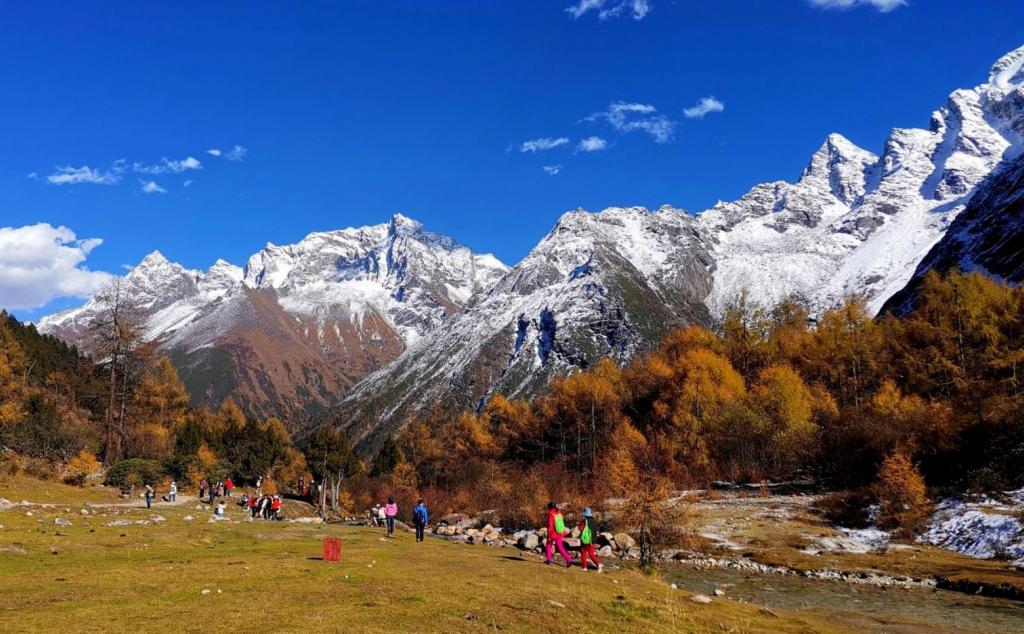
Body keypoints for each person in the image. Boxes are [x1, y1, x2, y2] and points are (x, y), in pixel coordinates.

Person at [544, 502, 573, 568]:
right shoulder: (559, 513)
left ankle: (549, 559)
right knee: (560, 547)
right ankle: (569, 559)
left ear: (550, 508)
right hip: (560, 532)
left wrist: (548, 534)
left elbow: (550, 525)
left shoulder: (550, 514)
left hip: (553, 533)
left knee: (548, 545)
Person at [577, 507, 602, 572]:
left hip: (585, 540)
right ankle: (598, 564)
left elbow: (580, 529)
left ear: (585, 514)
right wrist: (593, 540)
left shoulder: (584, 521)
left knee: (583, 553)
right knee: (591, 554)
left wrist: (579, 524)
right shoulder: (593, 521)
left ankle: (584, 567)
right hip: (592, 540)